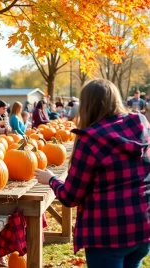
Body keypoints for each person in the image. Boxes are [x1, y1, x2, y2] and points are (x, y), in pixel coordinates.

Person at [35, 79, 150, 268]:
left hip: (107, 233)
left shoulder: (90, 139)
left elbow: (71, 197)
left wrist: (51, 180)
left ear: (86, 104)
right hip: (142, 226)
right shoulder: (141, 125)